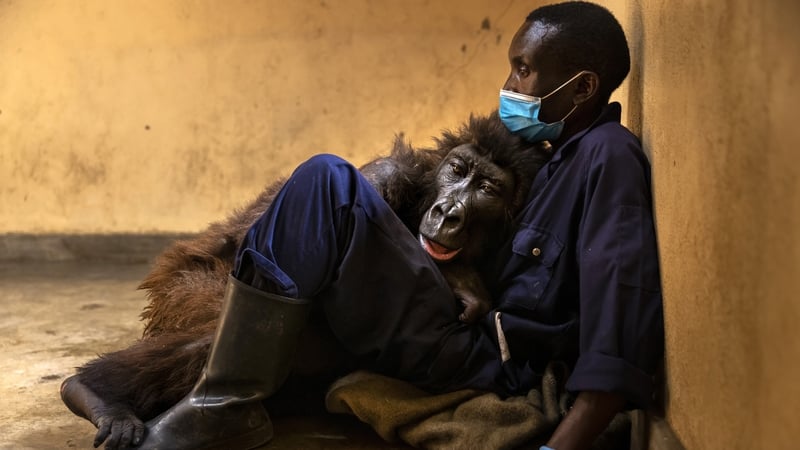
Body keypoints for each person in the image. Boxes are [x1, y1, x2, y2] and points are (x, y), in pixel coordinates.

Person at [135, 2, 664, 449]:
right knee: (335, 186)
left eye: (523, 69)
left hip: (480, 359)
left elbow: (618, 305)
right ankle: (224, 394)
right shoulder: (554, 157)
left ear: (581, 88)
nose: (510, 84)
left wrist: (560, 445)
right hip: (457, 323)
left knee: (328, 182)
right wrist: (459, 276)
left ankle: (225, 400)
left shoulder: (607, 157)